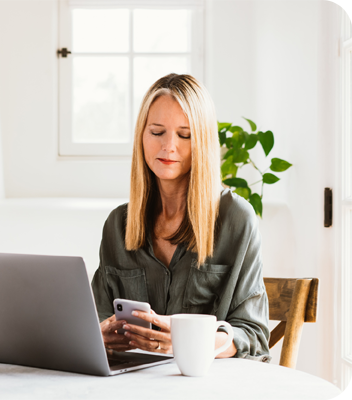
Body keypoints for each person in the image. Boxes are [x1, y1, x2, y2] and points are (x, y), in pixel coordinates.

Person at [91, 73, 271, 362]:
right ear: (141, 136)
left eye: (185, 135)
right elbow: (95, 321)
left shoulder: (237, 220)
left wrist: (190, 341)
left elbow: (253, 335)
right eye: (157, 131)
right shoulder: (117, 225)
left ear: (202, 141)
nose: (169, 146)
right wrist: (100, 334)